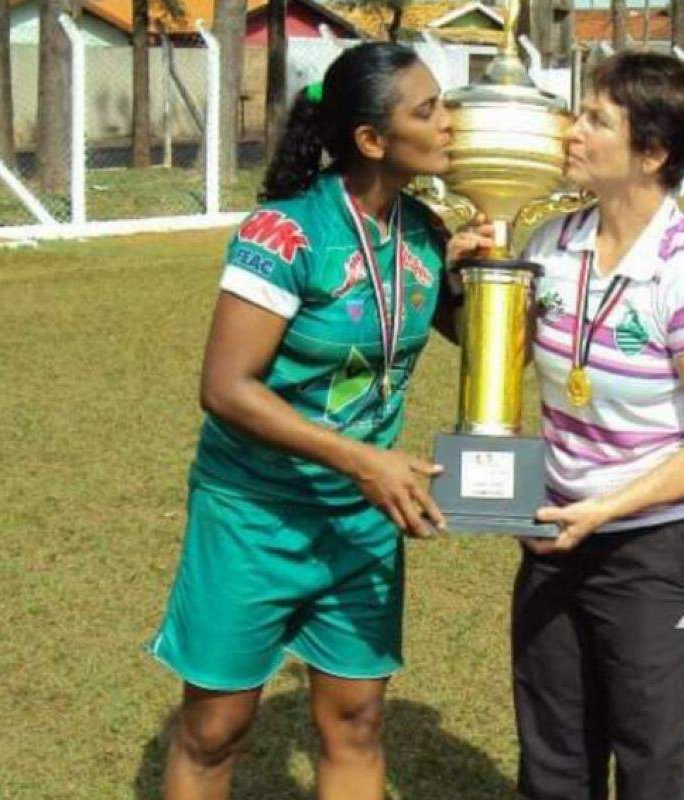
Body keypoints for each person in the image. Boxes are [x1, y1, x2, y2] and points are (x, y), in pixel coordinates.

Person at [146, 42, 481, 800]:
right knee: (215, 731)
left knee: (356, 724)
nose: (449, 123)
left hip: (361, 522)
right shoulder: (284, 234)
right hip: (255, 516)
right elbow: (226, 387)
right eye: (428, 110)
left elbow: (491, 353)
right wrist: (364, 460)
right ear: (372, 140)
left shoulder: (425, 234)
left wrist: (492, 269)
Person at [513, 52, 684, 800]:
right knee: (553, 763)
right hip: (556, 532)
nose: (573, 130)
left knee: (657, 768)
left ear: (651, 154)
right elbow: (504, 357)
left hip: (660, 548)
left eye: (596, 120)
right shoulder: (550, 245)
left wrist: (608, 509)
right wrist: (479, 280)